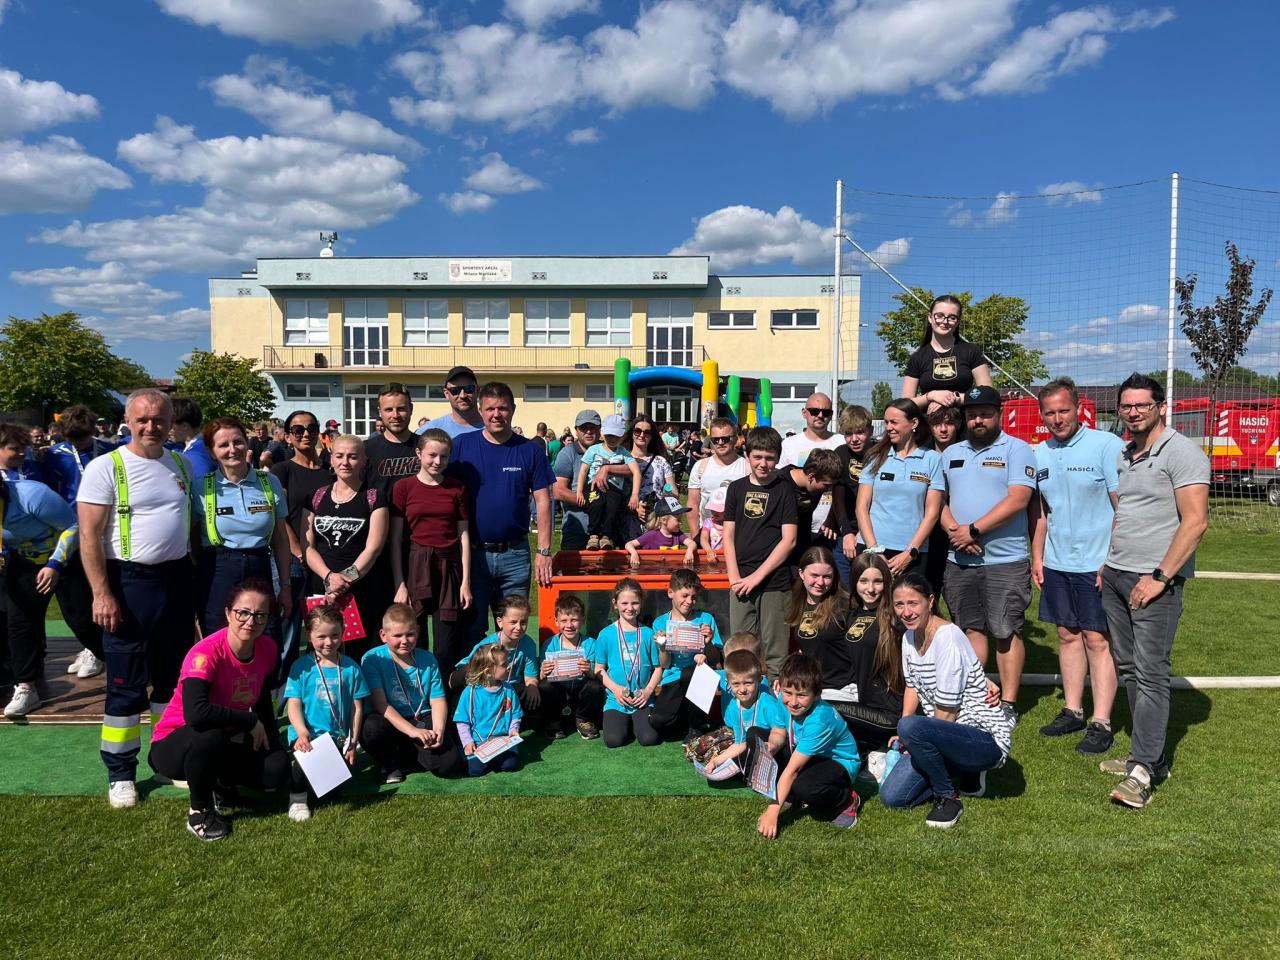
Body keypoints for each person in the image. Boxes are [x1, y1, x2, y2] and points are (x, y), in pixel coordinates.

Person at [77, 388, 196, 809]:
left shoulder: (179, 463)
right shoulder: (105, 467)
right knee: (126, 681)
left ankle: (166, 759)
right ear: (127, 421)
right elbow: (89, 535)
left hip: (176, 580)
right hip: (129, 583)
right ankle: (120, 772)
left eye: (159, 419)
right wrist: (101, 593)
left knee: (171, 679)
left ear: (171, 423)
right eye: (142, 419)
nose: (151, 426)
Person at [1098, 372, 1209, 809]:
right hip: (1117, 575)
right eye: (1126, 405)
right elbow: (1126, 513)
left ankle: (1142, 772)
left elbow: (1195, 522)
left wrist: (1159, 578)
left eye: (1142, 404)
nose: (1133, 412)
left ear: (1161, 407)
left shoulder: (1182, 452)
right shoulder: (1126, 453)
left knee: (1150, 672)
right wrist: (1108, 562)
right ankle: (1148, 757)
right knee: (1128, 668)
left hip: (1154, 582)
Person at [148, 578, 289, 841]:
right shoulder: (205, 653)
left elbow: (260, 699)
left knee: (277, 768)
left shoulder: (268, 648)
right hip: (176, 744)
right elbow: (197, 714)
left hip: (224, 735)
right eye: (243, 613)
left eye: (260, 615)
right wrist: (249, 721)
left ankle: (221, 786)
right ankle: (199, 812)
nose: (251, 621)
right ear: (228, 613)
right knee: (209, 734)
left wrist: (271, 741)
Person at [1030, 378, 1126, 755]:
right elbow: (1041, 512)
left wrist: (1110, 559)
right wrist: (1038, 557)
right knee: (1067, 635)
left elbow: (1122, 508)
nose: (1057, 419)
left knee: (1097, 639)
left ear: (1079, 408)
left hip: (1096, 562)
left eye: (1064, 411)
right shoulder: (1039, 453)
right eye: (1049, 413)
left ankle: (1101, 722)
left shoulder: (1106, 445)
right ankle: (1073, 710)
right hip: (1057, 562)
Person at [880, 573, 1013, 829]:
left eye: (913, 603)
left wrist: (912, 735)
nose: (906, 612)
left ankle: (948, 797)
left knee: (910, 727)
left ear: (930, 601)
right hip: (946, 734)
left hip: (984, 738)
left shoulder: (948, 638)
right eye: (899, 605)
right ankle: (963, 770)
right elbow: (912, 685)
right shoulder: (908, 637)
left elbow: (947, 711)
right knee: (893, 797)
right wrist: (906, 732)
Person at [940, 385, 1036, 721]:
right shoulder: (951, 453)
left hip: (1005, 560)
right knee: (971, 629)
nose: (978, 420)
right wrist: (956, 532)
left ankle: (1008, 703)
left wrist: (974, 530)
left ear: (999, 414)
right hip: (959, 558)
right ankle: (976, 696)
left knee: (1005, 630)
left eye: (985, 414)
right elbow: (938, 501)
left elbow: (1018, 499)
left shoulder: (1018, 450)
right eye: (972, 415)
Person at [448, 383, 554, 643]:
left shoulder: (529, 450)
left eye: (503, 408)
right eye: (490, 409)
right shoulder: (461, 447)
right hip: (473, 555)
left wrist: (543, 551)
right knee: (472, 629)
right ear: (480, 411)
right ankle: (477, 671)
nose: (496, 414)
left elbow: (543, 500)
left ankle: (512, 671)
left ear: (513, 410)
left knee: (513, 628)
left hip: (515, 555)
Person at [0, 424, 79, 718]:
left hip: (67, 561)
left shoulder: (31, 493)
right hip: (22, 563)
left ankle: (118, 664)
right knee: (19, 623)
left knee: (83, 621)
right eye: (14, 448)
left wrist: (55, 564)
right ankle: (26, 686)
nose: (21, 454)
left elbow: (74, 526)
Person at [192, 417, 291, 636]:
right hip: (218, 570)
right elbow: (193, 541)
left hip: (260, 566)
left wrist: (285, 586)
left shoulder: (270, 482)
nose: (232, 449)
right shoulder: (200, 487)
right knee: (219, 639)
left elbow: (281, 540)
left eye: (238, 442)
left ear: (247, 443)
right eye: (223, 445)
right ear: (211, 452)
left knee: (265, 638)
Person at [390, 428, 471, 677]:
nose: (437, 461)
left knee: (446, 644)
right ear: (419, 454)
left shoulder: (456, 488)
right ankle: (418, 692)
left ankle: (444, 692)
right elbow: (396, 540)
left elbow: (463, 536)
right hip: (416, 567)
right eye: (432, 455)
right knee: (415, 638)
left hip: (448, 569)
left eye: (444, 456)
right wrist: (400, 584)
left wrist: (465, 582)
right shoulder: (403, 487)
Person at [757, 653, 863, 838]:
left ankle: (846, 800)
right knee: (755, 735)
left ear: (816, 695)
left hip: (839, 762)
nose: (793, 702)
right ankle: (791, 795)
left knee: (805, 787)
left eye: (802, 695)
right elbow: (780, 731)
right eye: (788, 692)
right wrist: (772, 745)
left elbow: (793, 770)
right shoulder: (783, 700)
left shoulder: (820, 720)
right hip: (808, 753)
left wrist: (772, 812)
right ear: (781, 686)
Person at [43, 403, 114, 679]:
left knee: (106, 595)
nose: (79, 443)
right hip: (70, 533)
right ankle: (93, 647)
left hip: (105, 532)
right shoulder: (53, 456)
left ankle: (100, 651)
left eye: (83, 438)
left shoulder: (108, 450)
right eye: (73, 439)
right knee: (75, 604)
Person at [303, 434, 389, 660]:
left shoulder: (374, 497)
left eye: (352, 456)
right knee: (322, 651)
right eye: (339, 456)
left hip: (360, 589)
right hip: (322, 588)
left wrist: (344, 580)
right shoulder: (316, 496)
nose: (345, 462)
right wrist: (329, 577)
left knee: (359, 655)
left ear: (363, 461)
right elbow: (308, 546)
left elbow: (374, 548)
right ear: (331, 459)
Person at [723, 427, 798, 683]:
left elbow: (789, 540)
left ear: (777, 458)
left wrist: (756, 577)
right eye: (757, 457)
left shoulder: (784, 489)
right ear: (747, 456)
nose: (763, 464)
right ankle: (744, 701)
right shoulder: (736, 489)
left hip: (774, 581)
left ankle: (777, 702)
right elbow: (728, 536)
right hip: (740, 579)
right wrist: (734, 576)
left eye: (769, 458)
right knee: (740, 649)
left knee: (776, 653)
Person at [284, 603, 369, 822]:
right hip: (308, 736)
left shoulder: (351, 668)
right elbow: (293, 704)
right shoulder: (301, 667)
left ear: (343, 632)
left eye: (334, 635)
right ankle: (297, 798)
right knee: (303, 763)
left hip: (336, 739)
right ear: (308, 635)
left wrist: (352, 742)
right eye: (321, 636)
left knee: (333, 792)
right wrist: (301, 732)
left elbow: (357, 708)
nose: (329, 642)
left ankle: (322, 781)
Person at [360, 603, 461, 784]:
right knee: (371, 729)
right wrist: (413, 731)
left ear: (418, 631)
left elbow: (437, 700)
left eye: (410, 634)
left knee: (448, 765)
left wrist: (438, 729)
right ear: (383, 635)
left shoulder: (427, 658)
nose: (404, 640)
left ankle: (408, 756)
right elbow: (381, 704)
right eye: (397, 635)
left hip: (421, 716)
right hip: (389, 720)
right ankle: (391, 763)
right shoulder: (372, 659)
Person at [270, 410, 332, 684]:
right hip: (294, 561)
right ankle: (283, 694)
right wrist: (298, 550)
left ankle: (320, 690)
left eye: (311, 428)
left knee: (324, 630)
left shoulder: (331, 470)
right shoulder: (281, 471)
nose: (306, 434)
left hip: (325, 561)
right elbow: (278, 517)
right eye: (298, 430)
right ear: (287, 436)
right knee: (289, 632)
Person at [855, 399, 944, 578]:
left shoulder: (932, 459)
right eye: (886, 422)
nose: (888, 427)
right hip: (872, 548)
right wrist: (873, 550)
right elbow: (861, 508)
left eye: (894, 422)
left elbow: (932, 513)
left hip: (911, 553)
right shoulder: (875, 457)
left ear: (914, 423)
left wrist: (911, 552)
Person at [835, 552, 906, 765]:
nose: (871, 588)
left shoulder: (896, 620)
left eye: (878, 581)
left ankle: (877, 751)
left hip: (889, 715)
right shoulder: (851, 615)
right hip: (861, 704)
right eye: (863, 581)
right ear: (854, 582)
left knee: (825, 708)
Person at [650, 568, 723, 739]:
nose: (689, 601)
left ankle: (696, 727)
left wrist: (708, 643)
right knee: (658, 722)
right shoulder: (660, 622)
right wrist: (663, 647)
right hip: (672, 678)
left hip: (700, 678)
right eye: (684, 595)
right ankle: (688, 722)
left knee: (690, 672)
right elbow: (665, 664)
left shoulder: (706, 619)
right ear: (670, 593)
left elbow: (715, 661)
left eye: (693, 597)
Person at [593, 578, 661, 749]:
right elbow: (599, 669)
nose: (630, 608)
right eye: (624, 603)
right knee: (613, 740)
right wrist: (616, 690)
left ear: (641, 603)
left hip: (642, 699)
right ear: (615, 604)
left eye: (635, 603)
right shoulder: (606, 634)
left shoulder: (648, 633)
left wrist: (648, 691)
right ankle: (625, 723)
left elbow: (658, 667)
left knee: (649, 739)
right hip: (617, 700)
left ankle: (636, 723)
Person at [451, 594, 541, 720]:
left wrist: (532, 686)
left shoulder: (528, 644)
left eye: (523, 622)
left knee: (535, 692)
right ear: (500, 622)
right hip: (484, 687)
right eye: (513, 622)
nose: (518, 627)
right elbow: (470, 675)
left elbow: (530, 676)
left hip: (511, 688)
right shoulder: (487, 645)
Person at [901, 295, 994, 415]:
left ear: (958, 321)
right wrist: (930, 396)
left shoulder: (972, 351)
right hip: (929, 424)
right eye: (939, 316)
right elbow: (905, 404)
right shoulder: (917, 357)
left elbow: (987, 394)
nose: (945, 321)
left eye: (952, 317)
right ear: (930, 317)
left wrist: (954, 398)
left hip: (965, 423)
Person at [703, 648, 787, 778]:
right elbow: (740, 743)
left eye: (748, 683)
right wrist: (716, 761)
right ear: (728, 683)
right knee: (722, 769)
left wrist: (772, 745)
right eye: (736, 684)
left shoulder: (768, 703)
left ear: (759, 680)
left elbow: (781, 732)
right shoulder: (733, 706)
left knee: (753, 732)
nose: (742, 689)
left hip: (776, 750)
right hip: (752, 751)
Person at [536, 594, 604, 740]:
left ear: (583, 620)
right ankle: (554, 722)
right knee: (544, 685)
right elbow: (541, 677)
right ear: (556, 621)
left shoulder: (591, 644)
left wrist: (588, 670)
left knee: (594, 686)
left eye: (574, 620)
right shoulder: (549, 644)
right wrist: (543, 672)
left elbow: (595, 676)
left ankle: (583, 719)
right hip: (559, 694)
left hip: (580, 693)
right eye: (564, 620)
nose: (569, 625)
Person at [455, 643, 523, 776]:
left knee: (510, 764)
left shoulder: (509, 690)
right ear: (488, 672)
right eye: (504, 664)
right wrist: (468, 742)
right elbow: (462, 722)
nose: (509, 666)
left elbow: (516, 715)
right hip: (479, 743)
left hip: (502, 742)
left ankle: (495, 760)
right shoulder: (470, 692)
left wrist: (513, 730)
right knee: (475, 770)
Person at [576, 414, 641, 550]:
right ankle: (593, 535)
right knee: (596, 505)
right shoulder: (594, 450)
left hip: (615, 488)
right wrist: (579, 491)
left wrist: (635, 495)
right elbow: (583, 470)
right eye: (609, 435)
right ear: (603, 433)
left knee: (613, 508)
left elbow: (636, 472)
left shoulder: (623, 453)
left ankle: (607, 536)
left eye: (616, 436)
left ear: (622, 436)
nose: (612, 439)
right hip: (594, 486)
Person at [924, 406, 964, 597]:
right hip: (929, 531)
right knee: (927, 589)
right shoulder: (922, 454)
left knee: (957, 592)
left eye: (949, 423)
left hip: (960, 528)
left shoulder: (967, 452)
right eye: (937, 424)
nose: (943, 429)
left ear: (958, 424)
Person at [686, 417, 748, 539]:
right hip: (707, 537)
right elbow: (693, 503)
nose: (720, 443)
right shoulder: (700, 466)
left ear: (735, 439)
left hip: (740, 537)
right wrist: (695, 535)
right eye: (715, 439)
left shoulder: (747, 467)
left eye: (725, 439)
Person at [832, 405, 873, 588]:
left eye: (860, 432)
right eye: (848, 434)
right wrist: (847, 532)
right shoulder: (841, 453)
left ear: (870, 431)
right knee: (847, 588)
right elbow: (837, 497)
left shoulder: (881, 453)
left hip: (874, 530)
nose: (854, 439)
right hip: (848, 528)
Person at [552, 410, 603, 550]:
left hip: (606, 532)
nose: (588, 432)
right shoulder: (567, 453)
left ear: (600, 429)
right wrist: (593, 504)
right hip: (577, 530)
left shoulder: (609, 450)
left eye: (592, 427)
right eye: (584, 428)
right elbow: (558, 491)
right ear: (576, 431)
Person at [621, 414, 675, 541]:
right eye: (637, 431)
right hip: (627, 522)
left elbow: (674, 493)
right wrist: (635, 507)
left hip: (656, 522)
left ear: (652, 436)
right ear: (632, 433)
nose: (642, 435)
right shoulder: (621, 459)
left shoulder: (661, 461)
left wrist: (662, 497)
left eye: (647, 432)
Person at [784, 448, 842, 564]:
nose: (828, 490)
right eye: (826, 485)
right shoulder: (780, 483)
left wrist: (830, 520)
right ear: (811, 477)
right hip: (779, 552)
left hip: (802, 550)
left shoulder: (816, 487)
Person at [363, 382, 420, 497]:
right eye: (389, 409)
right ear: (380, 412)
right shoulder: (365, 450)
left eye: (401, 409)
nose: (395, 415)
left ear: (411, 409)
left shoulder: (426, 447)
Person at [625, 495, 697, 567]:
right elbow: (629, 544)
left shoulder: (678, 534)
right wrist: (634, 553)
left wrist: (689, 551)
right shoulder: (652, 535)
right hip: (652, 569)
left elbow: (692, 543)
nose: (681, 523)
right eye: (678, 520)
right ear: (664, 520)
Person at [779, 393, 843, 471]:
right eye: (814, 411)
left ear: (831, 415)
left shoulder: (841, 442)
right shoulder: (789, 444)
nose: (820, 415)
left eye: (826, 412)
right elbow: (781, 474)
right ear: (804, 413)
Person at [417, 365, 483, 439]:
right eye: (455, 390)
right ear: (446, 394)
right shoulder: (428, 432)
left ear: (477, 391)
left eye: (469, 389)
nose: (462, 395)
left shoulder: (492, 428)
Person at [170, 397, 216, 480]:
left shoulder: (196, 457)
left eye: (170, 425)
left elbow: (205, 486)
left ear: (184, 426)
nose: (167, 430)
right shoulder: (203, 445)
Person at [698, 487, 727, 554]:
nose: (715, 512)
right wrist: (709, 551)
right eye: (713, 509)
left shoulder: (733, 524)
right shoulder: (709, 523)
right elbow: (704, 538)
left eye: (719, 510)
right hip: (713, 555)